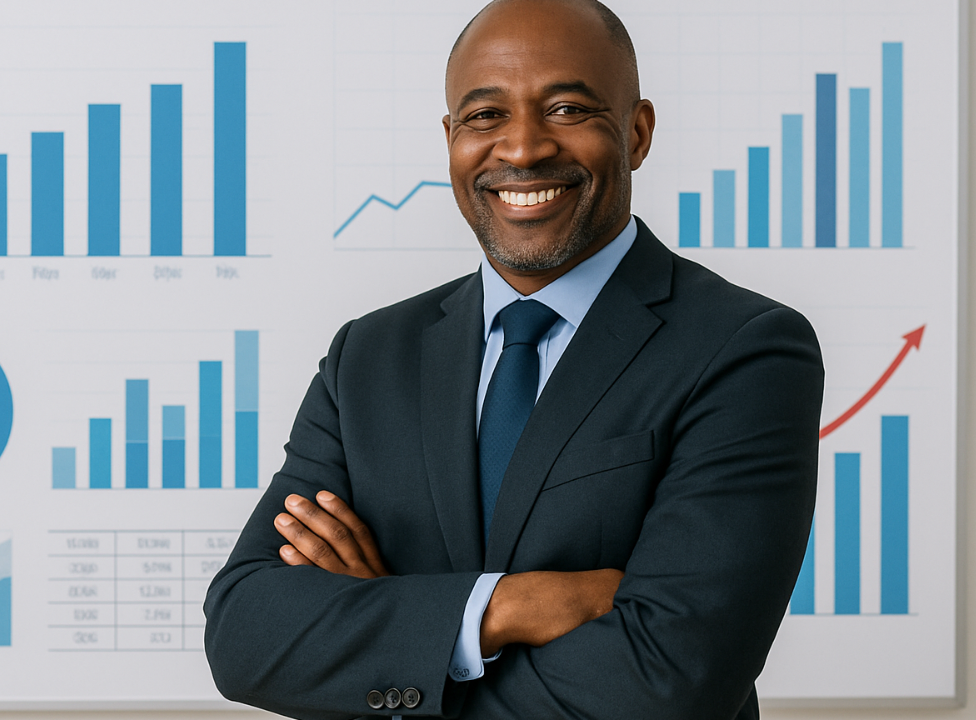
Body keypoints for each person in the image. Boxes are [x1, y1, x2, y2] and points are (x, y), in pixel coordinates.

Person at [204, 0, 824, 717]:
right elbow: (247, 633)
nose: (523, 149)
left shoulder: (744, 349)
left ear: (638, 131)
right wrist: (505, 606)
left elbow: (667, 678)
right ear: (450, 138)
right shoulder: (369, 357)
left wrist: (394, 648)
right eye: (485, 116)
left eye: (566, 109)